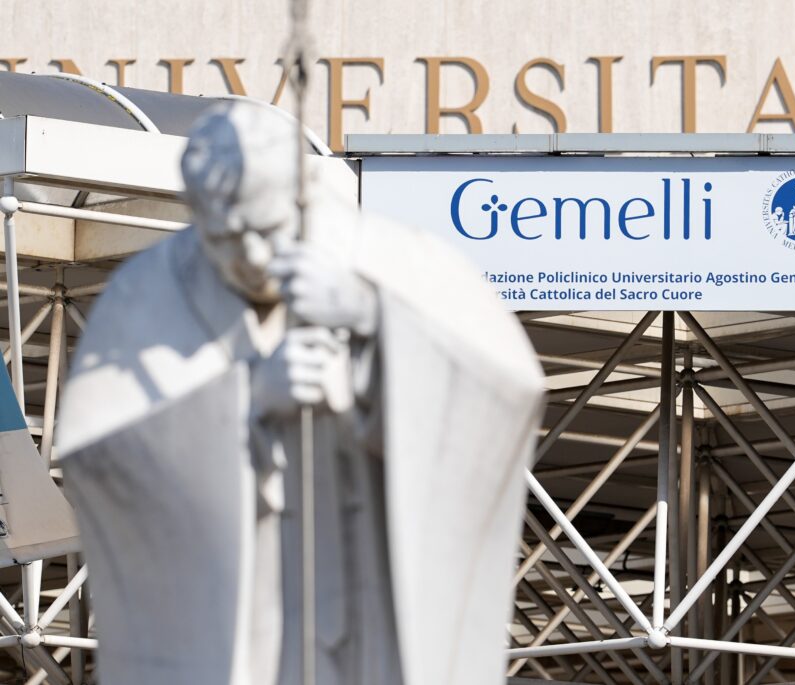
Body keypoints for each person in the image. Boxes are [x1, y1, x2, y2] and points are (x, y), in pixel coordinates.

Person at [56, 102, 543, 685]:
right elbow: (101, 452)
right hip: (245, 619)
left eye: (266, 230)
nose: (253, 258)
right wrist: (248, 401)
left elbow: (504, 388)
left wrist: (375, 326)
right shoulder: (147, 293)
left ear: (304, 193)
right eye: (226, 239)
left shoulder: (403, 263)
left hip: (373, 602)